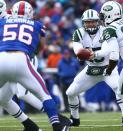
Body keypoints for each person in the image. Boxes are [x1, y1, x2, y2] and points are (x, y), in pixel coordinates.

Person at [0, 1, 70, 131]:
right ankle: (57, 125)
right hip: (21, 58)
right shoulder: (37, 24)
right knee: (44, 95)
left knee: (16, 95)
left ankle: (35, 126)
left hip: (2, 58)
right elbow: (41, 45)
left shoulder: (3, 22)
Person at [66, 9, 123, 127]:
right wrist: (81, 53)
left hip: (108, 68)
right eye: (88, 22)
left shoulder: (106, 31)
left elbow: (107, 49)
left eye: (93, 21)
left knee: (118, 88)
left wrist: (93, 54)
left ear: (98, 22)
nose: (90, 24)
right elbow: (77, 49)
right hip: (91, 70)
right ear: (83, 23)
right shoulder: (79, 33)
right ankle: (75, 118)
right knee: (70, 92)